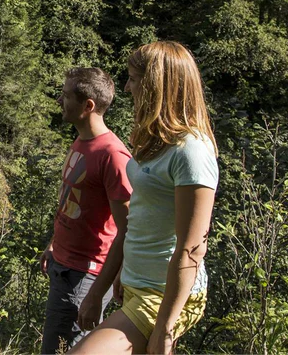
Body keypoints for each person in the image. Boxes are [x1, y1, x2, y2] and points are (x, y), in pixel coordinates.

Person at [71, 41, 219, 355]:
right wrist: (120, 275)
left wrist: (165, 326)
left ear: (158, 86)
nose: (127, 87)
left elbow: (191, 248)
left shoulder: (191, 151)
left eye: (134, 79)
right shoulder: (156, 141)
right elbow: (137, 219)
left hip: (164, 294)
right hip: (138, 284)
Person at [40, 67, 132, 354]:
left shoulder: (112, 155)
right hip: (64, 267)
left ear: (88, 105)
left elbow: (128, 229)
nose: (60, 100)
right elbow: (73, 201)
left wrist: (95, 294)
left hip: (84, 277)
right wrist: (54, 244)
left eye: (66, 96)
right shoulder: (82, 141)